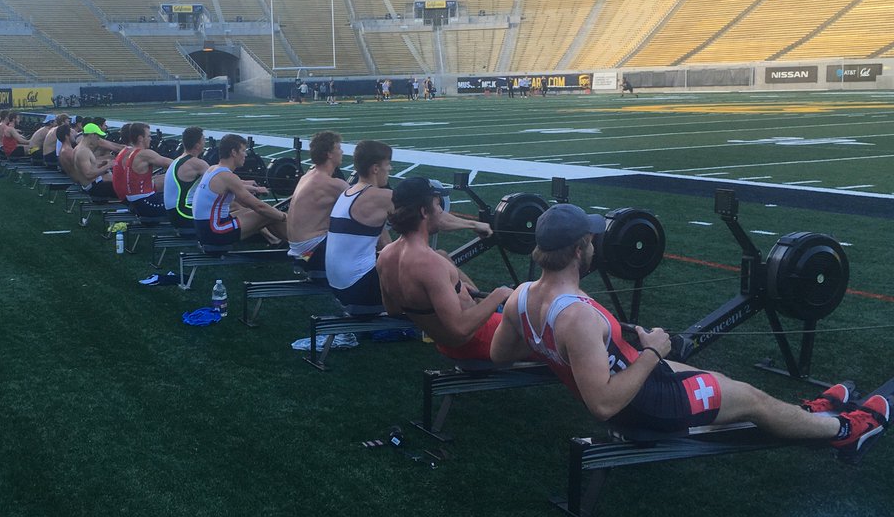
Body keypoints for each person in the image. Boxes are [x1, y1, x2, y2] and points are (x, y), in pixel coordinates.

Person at [486, 203, 890, 462]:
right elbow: (604, 406)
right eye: (590, 241)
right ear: (578, 250)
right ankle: (845, 432)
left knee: (730, 385)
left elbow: (499, 356)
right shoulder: (574, 315)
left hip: (635, 376)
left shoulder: (522, 297)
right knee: (750, 400)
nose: (594, 247)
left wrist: (567, 348)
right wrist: (654, 351)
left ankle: (807, 416)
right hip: (646, 404)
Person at [377, 177, 509, 361]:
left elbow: (393, 311)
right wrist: (499, 294)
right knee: (540, 319)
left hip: (446, 344)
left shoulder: (385, 256)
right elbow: (460, 329)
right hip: (480, 340)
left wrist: (449, 293)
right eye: (438, 205)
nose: (440, 211)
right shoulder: (430, 264)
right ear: (424, 212)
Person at [192, 133, 286, 250]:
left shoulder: (213, 169)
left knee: (248, 210)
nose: (245, 154)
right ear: (233, 152)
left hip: (205, 231)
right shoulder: (226, 176)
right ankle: (301, 247)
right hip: (215, 232)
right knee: (268, 213)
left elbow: (241, 195)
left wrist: (254, 189)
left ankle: (279, 242)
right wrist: (283, 217)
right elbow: (259, 207)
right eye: (243, 150)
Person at [285, 130, 346, 278]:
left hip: (299, 252)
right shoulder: (331, 184)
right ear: (329, 154)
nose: (342, 151)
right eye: (338, 148)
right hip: (310, 253)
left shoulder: (307, 176)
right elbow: (363, 204)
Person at [111, 122, 172, 223]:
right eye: (148, 136)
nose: (151, 138)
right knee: (182, 204)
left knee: (167, 178)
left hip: (137, 202)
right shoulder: (143, 153)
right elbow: (177, 165)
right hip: (145, 204)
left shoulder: (131, 152)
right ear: (140, 138)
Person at [163, 126, 210, 233]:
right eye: (203, 140)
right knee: (224, 206)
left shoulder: (179, 159)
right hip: (183, 213)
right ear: (197, 145)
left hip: (175, 213)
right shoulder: (196, 163)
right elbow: (221, 180)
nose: (205, 143)